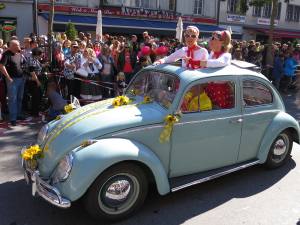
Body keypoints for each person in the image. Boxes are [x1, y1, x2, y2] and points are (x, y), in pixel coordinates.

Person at [0, 40, 25, 126]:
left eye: (18, 45)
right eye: (16, 45)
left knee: (19, 98)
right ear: (12, 46)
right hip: (12, 80)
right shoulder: (6, 54)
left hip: (21, 78)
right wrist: (8, 77)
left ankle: (18, 114)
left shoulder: (19, 53)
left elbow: (23, 64)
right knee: (12, 99)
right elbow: (1, 66)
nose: (18, 46)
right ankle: (13, 118)